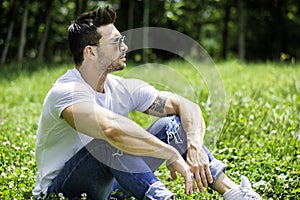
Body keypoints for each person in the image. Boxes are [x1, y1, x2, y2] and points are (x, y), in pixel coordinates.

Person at [32, 7, 262, 200]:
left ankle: (235, 193)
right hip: (63, 190)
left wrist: (193, 147)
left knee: (171, 125)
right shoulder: (67, 91)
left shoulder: (121, 86)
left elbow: (186, 106)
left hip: (112, 186)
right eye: (115, 42)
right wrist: (170, 154)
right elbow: (111, 130)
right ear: (90, 52)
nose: (125, 47)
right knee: (107, 143)